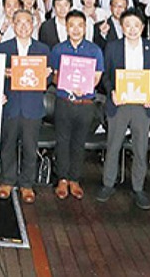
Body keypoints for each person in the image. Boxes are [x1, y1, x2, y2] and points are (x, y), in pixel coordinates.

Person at [97, 9, 150, 210]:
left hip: (142, 105)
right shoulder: (113, 47)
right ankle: (108, 184)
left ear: (142, 27)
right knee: (113, 145)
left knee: (140, 148)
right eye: (128, 25)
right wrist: (112, 91)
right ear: (122, 27)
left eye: (136, 25)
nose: (132, 29)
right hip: (119, 103)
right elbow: (106, 75)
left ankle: (138, 188)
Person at [0, 9, 51, 204]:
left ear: (33, 24)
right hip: (10, 105)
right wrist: (2, 74)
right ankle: (7, 181)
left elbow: (47, 79)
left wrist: (47, 75)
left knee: (30, 147)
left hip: (32, 106)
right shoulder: (3, 48)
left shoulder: (43, 49)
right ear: (13, 24)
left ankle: (27, 184)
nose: (24, 26)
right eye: (19, 22)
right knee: (8, 145)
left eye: (27, 22)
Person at [47, 10, 104, 201]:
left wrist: (85, 87)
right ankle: (62, 179)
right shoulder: (58, 49)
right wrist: (67, 83)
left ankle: (75, 179)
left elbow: (97, 76)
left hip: (86, 103)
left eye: (80, 25)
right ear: (66, 28)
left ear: (85, 28)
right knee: (62, 141)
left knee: (79, 143)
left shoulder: (94, 50)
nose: (76, 29)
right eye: (72, 26)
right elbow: (54, 75)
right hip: (64, 102)